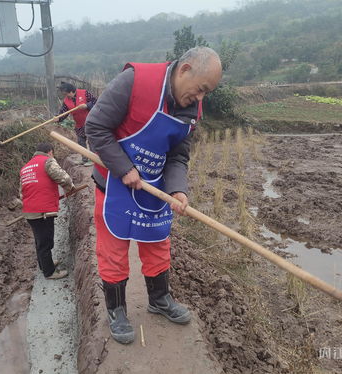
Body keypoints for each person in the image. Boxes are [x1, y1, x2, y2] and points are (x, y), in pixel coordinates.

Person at [85, 46, 222, 344]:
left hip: (154, 189)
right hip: (114, 185)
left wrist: (177, 189)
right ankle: (117, 310)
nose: (200, 99)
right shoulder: (134, 81)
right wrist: (123, 168)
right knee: (113, 248)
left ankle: (159, 299)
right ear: (184, 70)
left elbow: (178, 155)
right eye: (200, 89)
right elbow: (95, 126)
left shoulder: (190, 109)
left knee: (158, 244)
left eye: (206, 93)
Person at [20, 142, 75, 279]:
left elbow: (22, 193)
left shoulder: (25, 168)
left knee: (39, 240)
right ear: (50, 151)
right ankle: (49, 272)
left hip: (30, 211)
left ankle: (44, 264)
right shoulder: (47, 161)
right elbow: (63, 177)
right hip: (42, 211)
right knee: (46, 242)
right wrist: (70, 189)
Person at [58, 82, 97, 166]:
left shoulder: (84, 93)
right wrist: (58, 118)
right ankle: (84, 159)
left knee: (91, 141)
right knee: (81, 141)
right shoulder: (66, 101)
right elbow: (63, 112)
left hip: (90, 122)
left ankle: (93, 159)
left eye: (67, 94)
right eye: (65, 95)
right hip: (79, 124)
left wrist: (87, 105)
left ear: (72, 91)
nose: (67, 96)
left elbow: (96, 102)